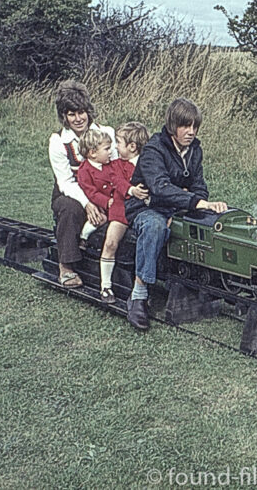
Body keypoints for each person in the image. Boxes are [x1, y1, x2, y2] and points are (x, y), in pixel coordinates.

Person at [124, 97, 228, 330]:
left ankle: (200, 282)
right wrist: (194, 201)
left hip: (175, 207)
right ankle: (138, 295)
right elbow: (159, 187)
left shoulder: (195, 150)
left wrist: (198, 201)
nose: (191, 132)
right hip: (146, 207)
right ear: (173, 126)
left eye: (194, 126)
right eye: (185, 126)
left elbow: (198, 185)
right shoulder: (153, 149)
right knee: (155, 227)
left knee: (208, 224)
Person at [48, 80, 114, 288]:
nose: (78, 119)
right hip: (72, 193)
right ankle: (66, 266)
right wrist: (88, 203)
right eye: (71, 114)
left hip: (102, 189)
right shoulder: (59, 142)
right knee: (70, 209)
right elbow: (65, 182)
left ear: (88, 111)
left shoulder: (106, 133)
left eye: (81, 112)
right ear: (64, 117)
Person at [76, 123, 150, 303]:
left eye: (118, 143)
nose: (115, 148)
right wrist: (131, 190)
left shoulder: (148, 163)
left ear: (132, 147)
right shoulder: (116, 165)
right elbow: (116, 181)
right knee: (110, 243)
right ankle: (106, 286)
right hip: (121, 209)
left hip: (143, 210)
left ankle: (143, 285)